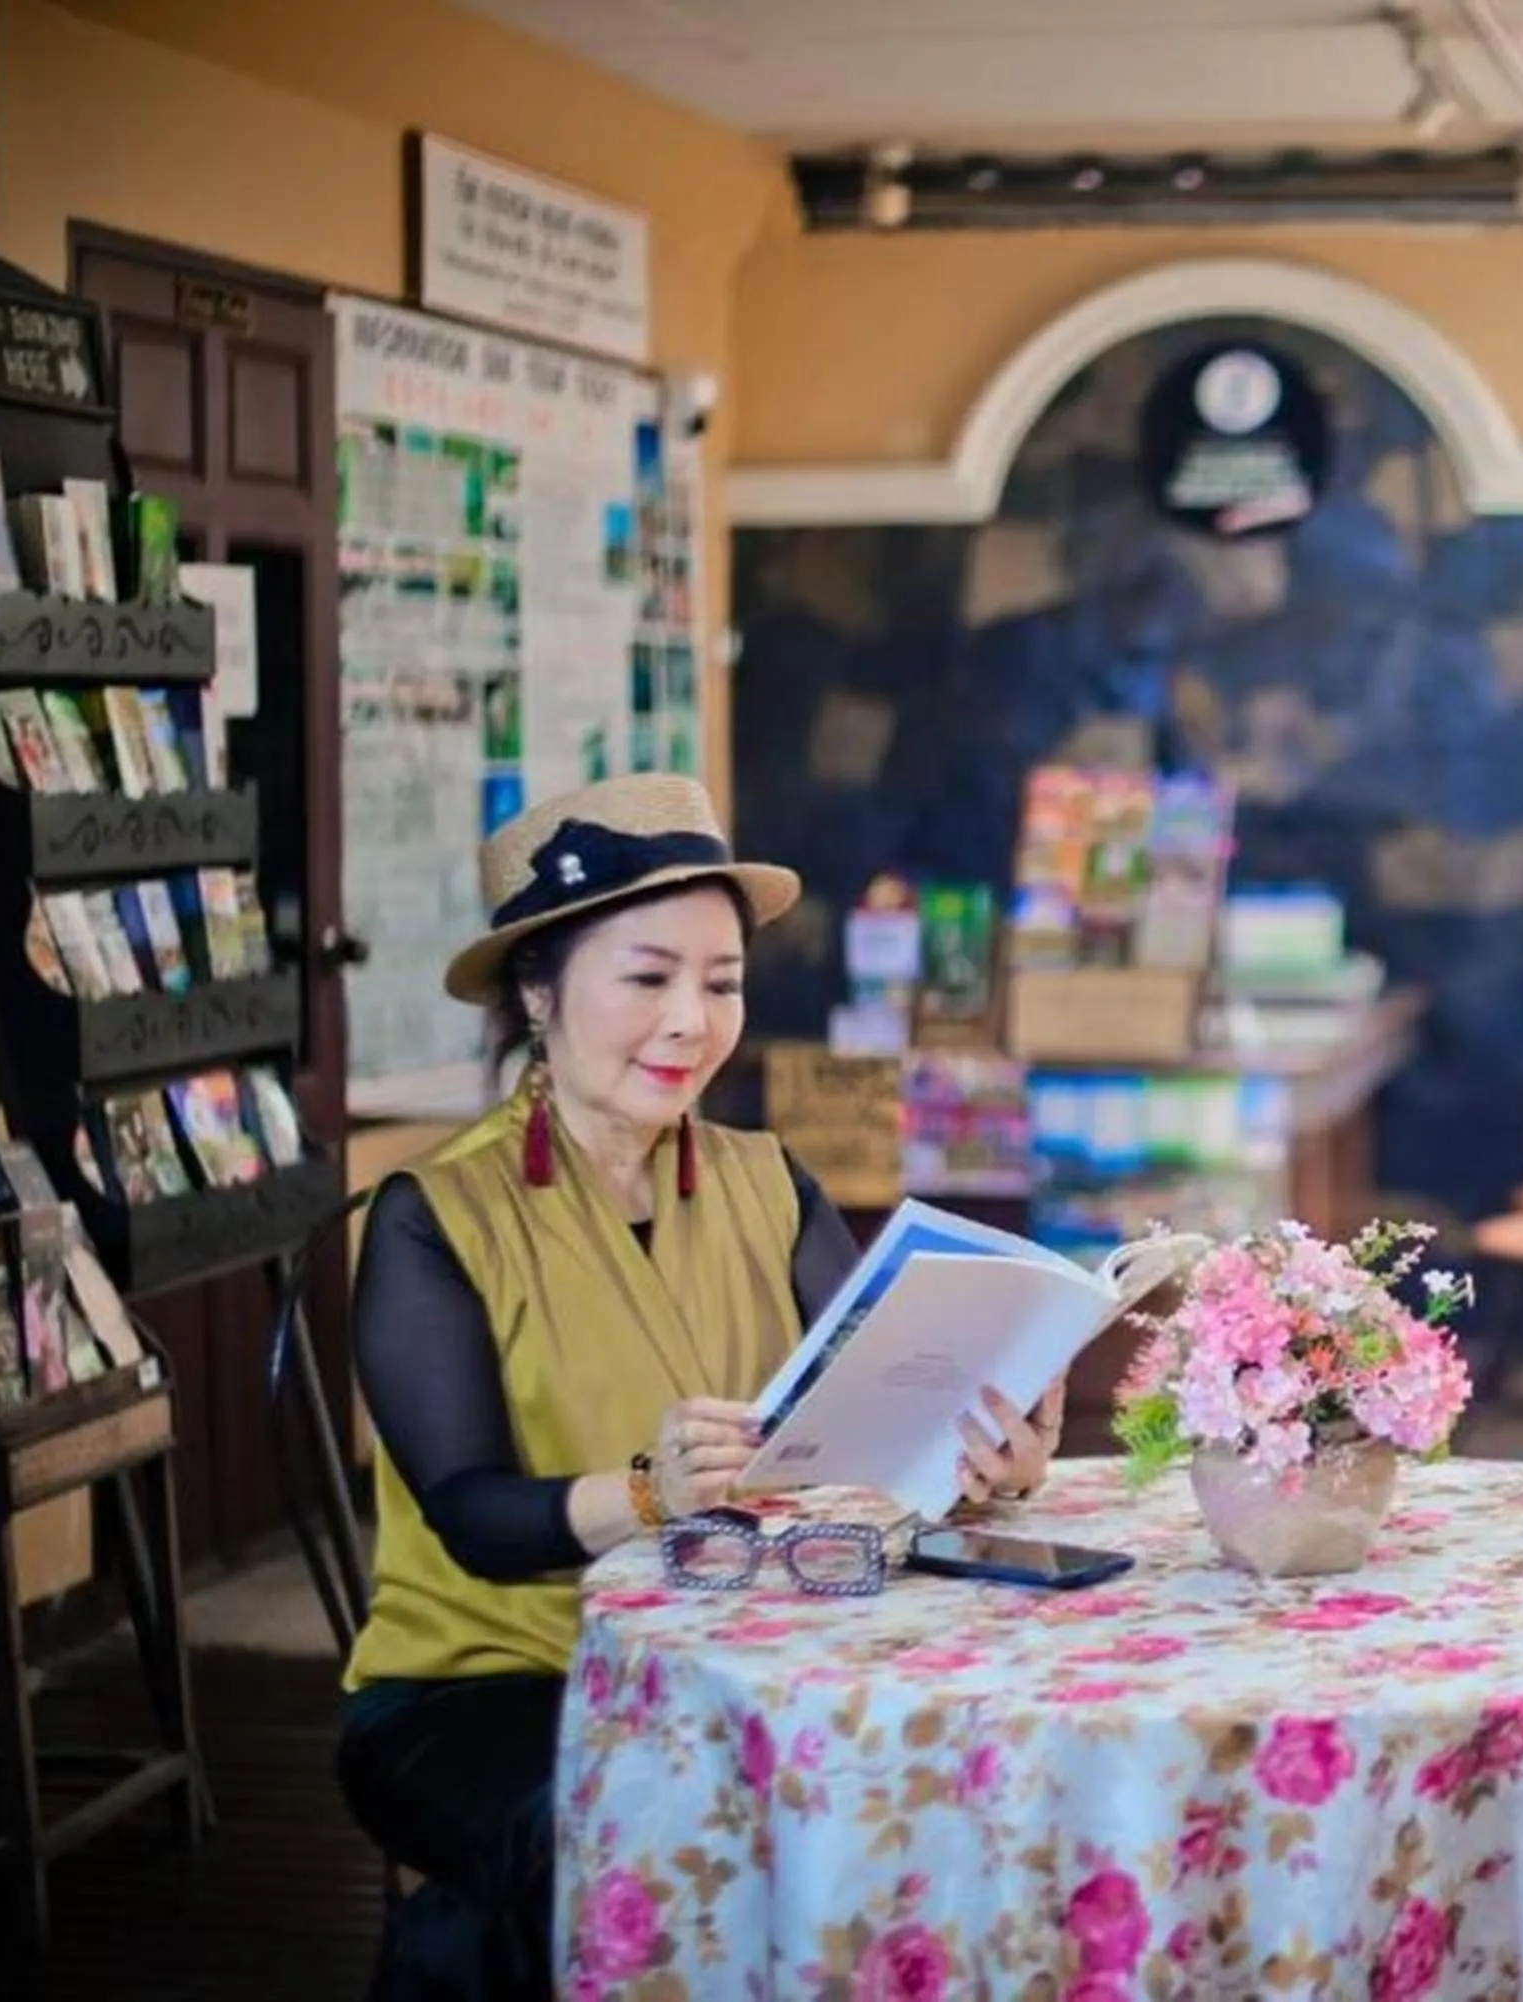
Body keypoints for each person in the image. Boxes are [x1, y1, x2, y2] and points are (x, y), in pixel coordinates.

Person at [334, 775, 1065, 2000]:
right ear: (536, 989)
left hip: (762, 1653)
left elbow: (879, 1416)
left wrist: (985, 1463)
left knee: (954, 1790)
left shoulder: (767, 1179)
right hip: (492, 1684)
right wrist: (645, 1491)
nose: (690, 1019)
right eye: (647, 977)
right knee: (642, 1825)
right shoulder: (436, 1216)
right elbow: (469, 1518)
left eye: (721, 983)